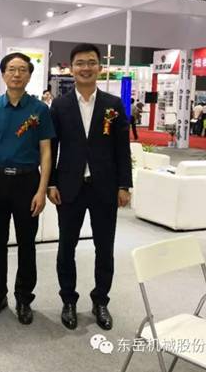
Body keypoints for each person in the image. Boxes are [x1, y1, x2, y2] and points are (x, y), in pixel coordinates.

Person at [48, 43, 132, 331]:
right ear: (72, 68)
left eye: (91, 62)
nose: (86, 68)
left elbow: (122, 148)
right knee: (66, 247)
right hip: (69, 187)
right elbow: (52, 148)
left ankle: (101, 301)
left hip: (104, 187)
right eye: (80, 63)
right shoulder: (60, 105)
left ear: (100, 67)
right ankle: (68, 300)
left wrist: (124, 185)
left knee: (104, 248)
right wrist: (51, 183)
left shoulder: (113, 104)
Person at [0, 53, 54, 325]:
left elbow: (46, 151)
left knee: (27, 244)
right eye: (11, 69)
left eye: (22, 69)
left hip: (27, 182)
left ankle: (24, 298)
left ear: (30, 75)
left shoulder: (40, 110)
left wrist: (41, 189)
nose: (17, 74)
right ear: (3, 73)